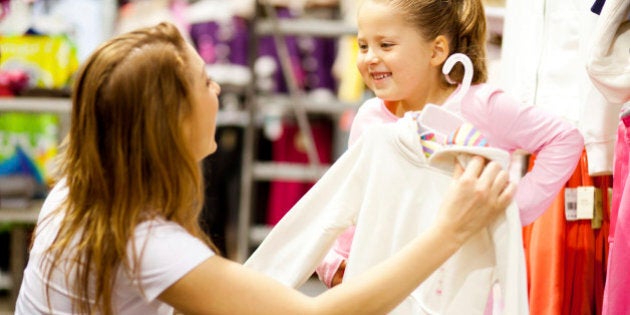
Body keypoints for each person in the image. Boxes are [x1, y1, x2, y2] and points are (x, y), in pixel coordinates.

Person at [14, 21, 514, 315]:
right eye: (205, 83)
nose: (218, 92)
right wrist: (450, 230)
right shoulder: (144, 242)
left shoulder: (81, 193)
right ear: (170, 120)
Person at [316, 0, 584, 288]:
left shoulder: (481, 106)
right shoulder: (370, 118)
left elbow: (564, 139)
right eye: (364, 46)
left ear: (436, 50)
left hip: (462, 290)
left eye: (386, 45)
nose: (369, 57)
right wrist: (336, 259)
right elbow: (356, 198)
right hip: (387, 287)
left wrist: (512, 209)